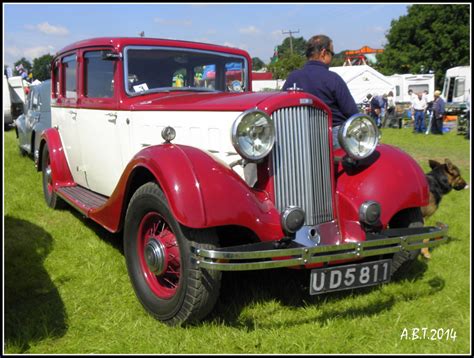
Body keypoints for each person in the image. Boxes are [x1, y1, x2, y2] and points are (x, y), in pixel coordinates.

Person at [282, 34, 358, 148]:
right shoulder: (333, 78)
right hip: (332, 136)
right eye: (332, 54)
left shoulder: (292, 78)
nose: (332, 58)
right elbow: (352, 112)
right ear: (323, 53)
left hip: (299, 138)